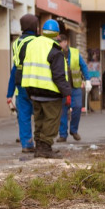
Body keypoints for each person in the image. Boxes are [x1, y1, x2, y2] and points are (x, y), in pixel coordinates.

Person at [21, 19, 72, 159]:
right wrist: (67, 93)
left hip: (33, 90)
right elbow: (59, 76)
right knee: (51, 120)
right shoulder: (55, 49)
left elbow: (21, 64)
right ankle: (45, 147)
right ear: (57, 34)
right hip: (50, 92)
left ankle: (39, 147)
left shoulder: (31, 44)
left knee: (39, 119)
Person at [5, 14, 38, 153]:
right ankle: (41, 142)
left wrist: (9, 92)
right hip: (36, 83)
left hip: (20, 84)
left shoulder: (16, 43)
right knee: (40, 114)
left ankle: (27, 144)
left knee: (23, 116)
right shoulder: (37, 42)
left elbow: (14, 68)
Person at [56, 33, 90, 142]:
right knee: (63, 111)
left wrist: (87, 79)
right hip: (62, 87)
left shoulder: (75, 53)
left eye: (59, 41)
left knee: (77, 107)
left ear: (65, 42)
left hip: (75, 86)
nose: (58, 43)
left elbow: (83, 66)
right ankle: (62, 134)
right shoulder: (56, 53)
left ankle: (74, 130)